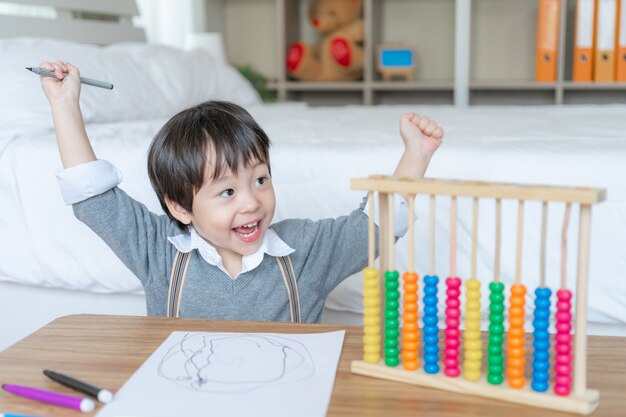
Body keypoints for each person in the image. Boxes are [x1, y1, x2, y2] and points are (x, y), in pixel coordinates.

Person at [40, 60, 444, 323]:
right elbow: (94, 197)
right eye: (227, 192)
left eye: (260, 180)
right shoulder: (161, 254)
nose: (252, 202)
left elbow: (374, 226)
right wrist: (64, 105)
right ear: (180, 208)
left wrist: (416, 156)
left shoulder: (305, 252)